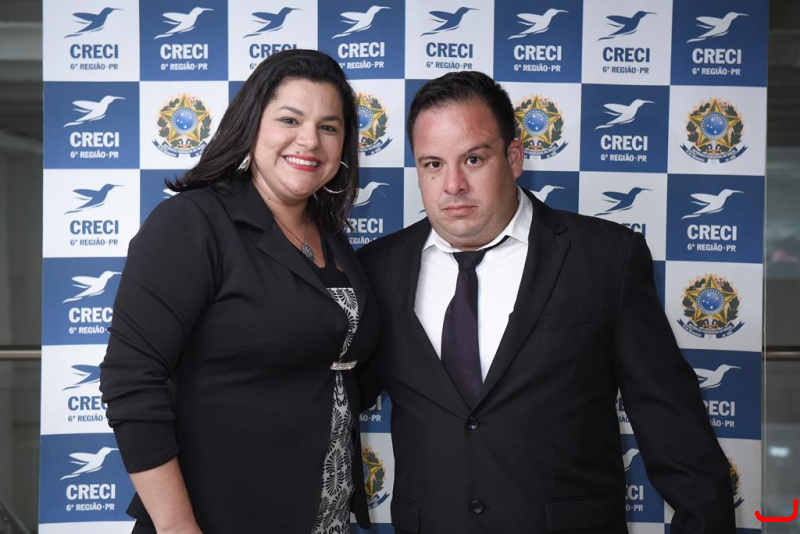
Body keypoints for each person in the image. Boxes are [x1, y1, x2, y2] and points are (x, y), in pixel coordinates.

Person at [357, 71, 735, 533]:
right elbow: (332, 400)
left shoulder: (606, 258)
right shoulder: (378, 269)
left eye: (473, 159)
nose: (453, 184)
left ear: (514, 157)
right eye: (433, 164)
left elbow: (674, 428)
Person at [100, 49, 379, 534]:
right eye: (290, 119)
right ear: (252, 125)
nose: (310, 140)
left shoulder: (330, 235)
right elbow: (131, 381)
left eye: (329, 127)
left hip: (324, 516)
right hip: (217, 516)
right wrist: (178, 527)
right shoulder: (192, 223)